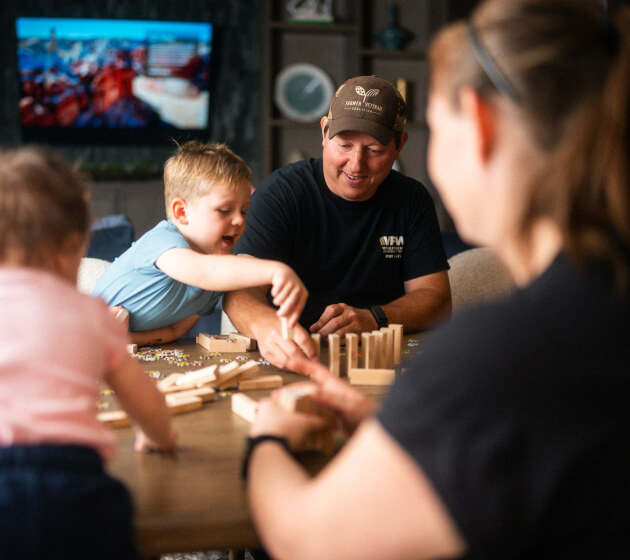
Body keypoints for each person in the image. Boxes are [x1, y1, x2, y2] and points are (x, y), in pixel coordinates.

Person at [243, 0, 630, 558]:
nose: (359, 162)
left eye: (436, 128)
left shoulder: (495, 356)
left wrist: (269, 436)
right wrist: (409, 422)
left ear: (479, 124)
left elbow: (306, 542)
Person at [0, 146, 177, 559]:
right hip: (76, 485)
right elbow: (145, 403)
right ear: (73, 246)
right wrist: (161, 437)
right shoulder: (91, 314)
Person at [223, 75, 451, 368]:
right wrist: (269, 329)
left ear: (399, 145)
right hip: (295, 353)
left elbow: (437, 300)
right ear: (324, 132)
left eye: (374, 150)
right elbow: (237, 291)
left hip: (381, 354)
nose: (356, 165)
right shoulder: (282, 193)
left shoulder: (412, 199)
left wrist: (374, 318)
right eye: (344, 145)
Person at [92, 141, 307, 346]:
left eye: (243, 211)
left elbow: (175, 331)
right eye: (224, 210)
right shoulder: (163, 241)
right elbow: (204, 271)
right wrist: (276, 270)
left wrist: (123, 339)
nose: (239, 220)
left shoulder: (211, 288)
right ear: (181, 212)